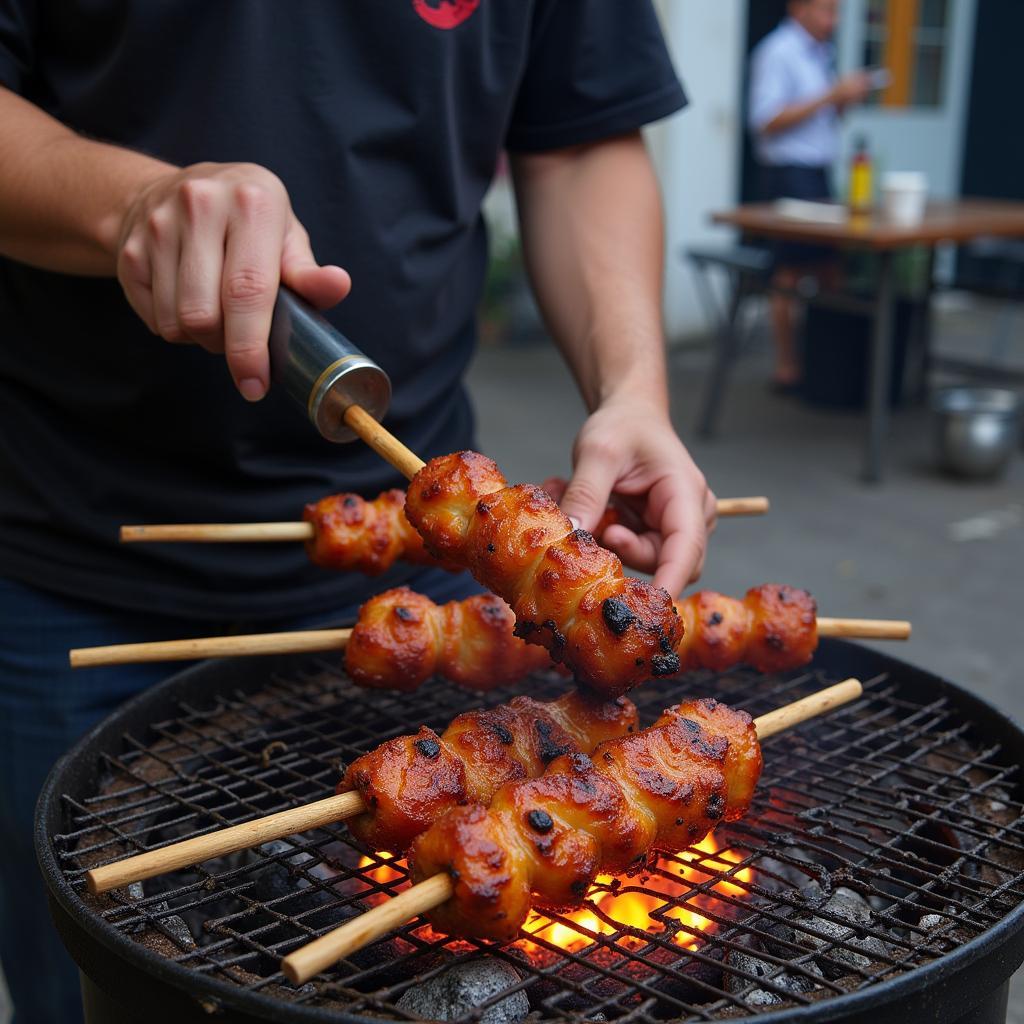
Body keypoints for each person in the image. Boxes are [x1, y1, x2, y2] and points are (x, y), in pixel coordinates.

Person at [0, 3, 716, 1020]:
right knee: (83, 988)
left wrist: (634, 386)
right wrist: (130, 202)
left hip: (428, 572)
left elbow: (579, 136)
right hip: (74, 553)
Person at [748, 0, 872, 390]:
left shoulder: (820, 53)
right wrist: (829, 96)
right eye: (826, 11)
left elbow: (819, 117)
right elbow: (765, 119)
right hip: (789, 175)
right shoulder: (777, 52)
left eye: (837, 13)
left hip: (818, 172)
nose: (833, 21)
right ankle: (787, 367)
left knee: (828, 268)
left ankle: (822, 361)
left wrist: (840, 103)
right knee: (789, 270)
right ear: (799, 8)